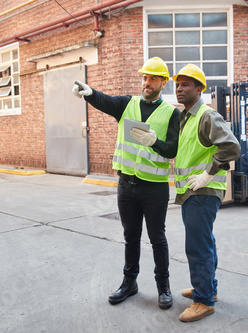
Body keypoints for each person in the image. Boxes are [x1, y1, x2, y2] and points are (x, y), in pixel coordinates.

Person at [72, 57, 180, 310]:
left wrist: (155, 142)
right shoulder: (126, 105)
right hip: (126, 186)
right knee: (131, 236)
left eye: (153, 78)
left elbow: (172, 150)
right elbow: (105, 101)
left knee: (157, 238)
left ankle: (163, 286)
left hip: (154, 187)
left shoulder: (171, 113)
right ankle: (129, 282)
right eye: (145, 77)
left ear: (163, 83)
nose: (147, 82)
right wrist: (89, 93)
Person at [172, 64, 241, 322]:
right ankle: (207, 289)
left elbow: (232, 148)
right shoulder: (187, 117)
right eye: (178, 84)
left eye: (186, 84)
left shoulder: (206, 115)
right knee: (205, 243)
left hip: (203, 191)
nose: (179, 88)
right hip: (194, 191)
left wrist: (207, 174)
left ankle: (203, 300)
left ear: (199, 89)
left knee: (197, 247)